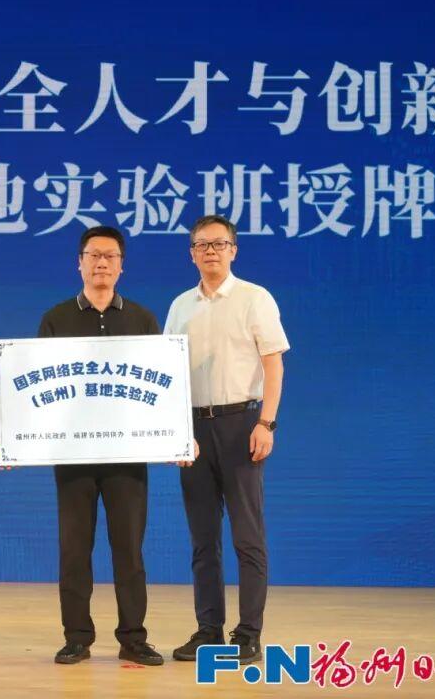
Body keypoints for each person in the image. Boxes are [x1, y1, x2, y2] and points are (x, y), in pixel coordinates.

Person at [34, 226, 164, 666]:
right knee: (74, 551)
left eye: (110, 256)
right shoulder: (56, 318)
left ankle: (133, 638)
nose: (102, 262)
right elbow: (34, 385)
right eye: (93, 255)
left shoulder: (143, 320)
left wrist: (175, 436)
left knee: (129, 550)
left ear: (122, 265)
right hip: (73, 456)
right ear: (80, 263)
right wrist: (16, 435)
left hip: (128, 456)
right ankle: (77, 637)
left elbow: (162, 385)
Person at [164, 215, 289, 665]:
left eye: (219, 244)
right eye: (202, 245)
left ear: (234, 250)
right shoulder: (180, 306)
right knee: (203, 538)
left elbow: (273, 364)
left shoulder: (255, 298)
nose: (211, 251)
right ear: (191, 254)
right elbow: (166, 373)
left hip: (242, 425)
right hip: (194, 430)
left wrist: (266, 423)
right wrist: (175, 433)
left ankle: (249, 633)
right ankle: (208, 630)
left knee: (247, 536)